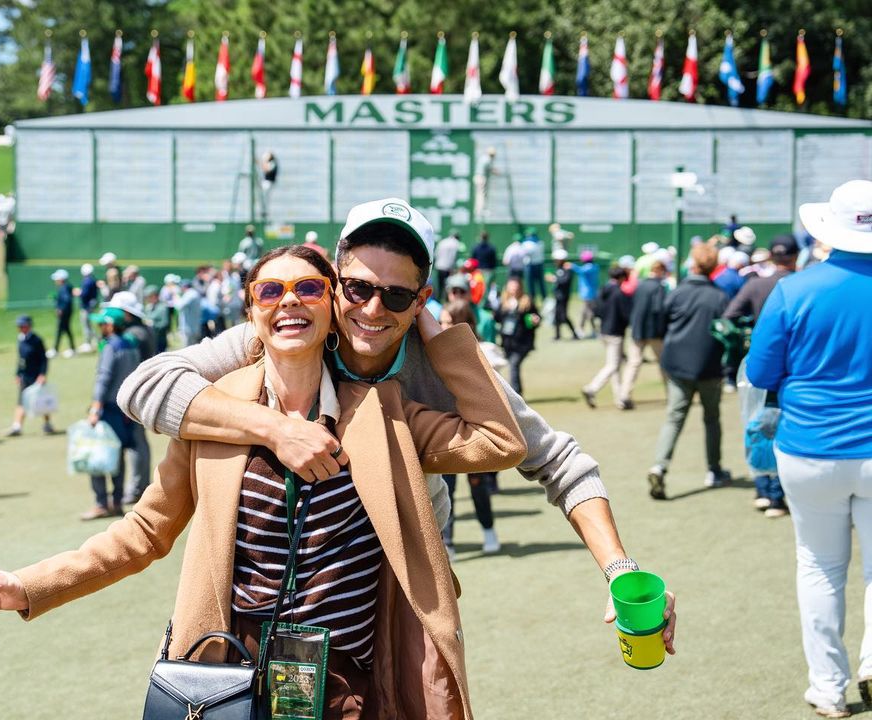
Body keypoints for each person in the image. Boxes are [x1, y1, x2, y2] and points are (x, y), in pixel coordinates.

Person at [0, 243, 528, 718]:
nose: (289, 302)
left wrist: (439, 332)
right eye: (269, 291)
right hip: (231, 674)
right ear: (250, 310)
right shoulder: (211, 413)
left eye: (307, 288)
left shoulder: (383, 413)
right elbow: (143, 532)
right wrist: (30, 585)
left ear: (332, 306)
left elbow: (502, 442)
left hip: (343, 684)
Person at [117, 197, 677, 655]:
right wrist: (273, 428)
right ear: (334, 283)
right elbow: (142, 387)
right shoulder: (285, 333)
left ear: (421, 300)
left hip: (395, 592)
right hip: (273, 595)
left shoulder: (437, 366)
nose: (373, 308)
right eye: (358, 287)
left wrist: (619, 570)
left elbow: (554, 459)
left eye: (398, 294)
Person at [745, 179, 872, 720]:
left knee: (819, 567)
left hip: (809, 447)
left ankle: (828, 687)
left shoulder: (794, 290)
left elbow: (760, 372)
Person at [646, 244, 731, 500]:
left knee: (674, 417)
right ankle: (713, 470)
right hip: (709, 367)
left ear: (693, 264)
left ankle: (659, 466)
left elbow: (660, 325)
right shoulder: (719, 296)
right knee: (712, 418)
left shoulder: (677, 293)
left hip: (677, 366)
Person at [437, 298, 504, 558]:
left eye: (447, 322)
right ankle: (448, 542)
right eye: (440, 321)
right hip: (445, 435)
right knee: (446, 490)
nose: (441, 326)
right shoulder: (432, 351)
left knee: (478, 486)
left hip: (475, 433)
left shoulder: (480, 352)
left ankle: (489, 532)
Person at [82, 307, 140, 519]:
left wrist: (95, 407)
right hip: (126, 410)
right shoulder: (130, 343)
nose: (99, 327)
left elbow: (104, 378)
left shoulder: (110, 346)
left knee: (96, 455)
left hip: (108, 409)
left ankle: (101, 503)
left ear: (111, 325)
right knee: (118, 456)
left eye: (102, 323)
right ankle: (116, 501)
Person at [107, 292, 154, 505]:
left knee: (136, 442)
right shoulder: (143, 330)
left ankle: (138, 487)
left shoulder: (135, 335)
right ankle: (138, 485)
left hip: (137, 395)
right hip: (140, 393)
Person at [618, 260, 669, 409]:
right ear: (660, 271)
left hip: (638, 330)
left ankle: (624, 395)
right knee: (664, 363)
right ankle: (672, 394)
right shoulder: (659, 287)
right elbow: (659, 309)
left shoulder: (640, 285)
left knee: (633, 363)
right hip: (654, 332)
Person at [582, 267, 632, 410]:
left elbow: (596, 311)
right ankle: (591, 388)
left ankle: (620, 399)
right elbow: (626, 315)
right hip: (616, 333)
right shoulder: (619, 293)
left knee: (615, 365)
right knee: (613, 366)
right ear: (621, 277)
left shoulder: (603, 290)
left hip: (604, 332)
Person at [724, 234, 799, 325]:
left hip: (763, 337)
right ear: (797, 255)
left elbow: (728, 317)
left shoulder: (755, 284)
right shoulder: (806, 284)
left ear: (770, 256)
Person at [5, 316, 53, 437]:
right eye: (19, 326)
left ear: (29, 326)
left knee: (41, 401)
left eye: (23, 326)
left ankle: (47, 424)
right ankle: (17, 426)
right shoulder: (20, 339)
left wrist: (42, 374)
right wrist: (17, 374)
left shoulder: (37, 340)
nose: (20, 328)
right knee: (21, 401)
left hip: (36, 376)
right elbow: (20, 360)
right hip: (25, 376)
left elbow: (44, 359)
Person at [494, 277, 540, 396]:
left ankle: (515, 394)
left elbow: (535, 318)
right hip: (507, 342)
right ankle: (517, 394)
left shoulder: (527, 301)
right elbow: (497, 318)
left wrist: (535, 320)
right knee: (513, 366)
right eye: (511, 286)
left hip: (522, 342)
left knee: (514, 365)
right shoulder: (504, 302)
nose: (514, 289)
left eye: (516, 286)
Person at [549, 249, 579, 340]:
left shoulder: (567, 269)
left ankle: (575, 334)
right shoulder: (558, 268)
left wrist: (554, 279)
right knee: (557, 316)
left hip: (564, 296)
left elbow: (565, 281)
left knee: (564, 316)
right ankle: (557, 335)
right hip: (558, 295)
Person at [571, 250, 600, 337]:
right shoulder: (594, 266)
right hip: (589, 293)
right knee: (585, 312)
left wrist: (572, 266)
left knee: (589, 312)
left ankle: (592, 330)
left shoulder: (589, 268)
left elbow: (580, 271)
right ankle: (582, 329)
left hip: (589, 294)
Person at [49, 269, 76, 358]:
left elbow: (66, 300)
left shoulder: (64, 287)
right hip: (67, 312)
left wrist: (60, 309)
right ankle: (72, 349)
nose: (55, 281)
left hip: (64, 313)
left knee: (60, 330)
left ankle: (55, 350)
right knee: (66, 330)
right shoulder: (66, 287)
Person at [433, 231, 464, 298]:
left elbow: (436, 254)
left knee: (440, 286)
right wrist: (453, 268)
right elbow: (454, 257)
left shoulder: (442, 242)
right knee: (448, 286)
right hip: (448, 268)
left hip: (439, 266)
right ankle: (447, 300)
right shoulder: (455, 243)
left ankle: (438, 300)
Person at [473, 145, 499, 222]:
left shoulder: (483, 158)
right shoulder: (487, 159)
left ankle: (478, 210)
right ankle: (481, 210)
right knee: (482, 195)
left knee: (479, 194)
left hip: (478, 177)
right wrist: (497, 172)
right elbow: (491, 169)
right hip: (481, 177)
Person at [77, 263, 98, 352]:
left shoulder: (87, 281)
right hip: (91, 305)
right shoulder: (93, 280)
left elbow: (84, 294)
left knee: (86, 325)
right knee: (88, 325)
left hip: (86, 306)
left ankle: (88, 343)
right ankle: (95, 341)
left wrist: (79, 293)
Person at [522, 228, 547, 302]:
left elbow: (527, 252)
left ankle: (542, 300)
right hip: (535, 265)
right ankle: (533, 301)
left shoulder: (528, 244)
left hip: (532, 265)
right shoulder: (540, 243)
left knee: (536, 285)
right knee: (533, 286)